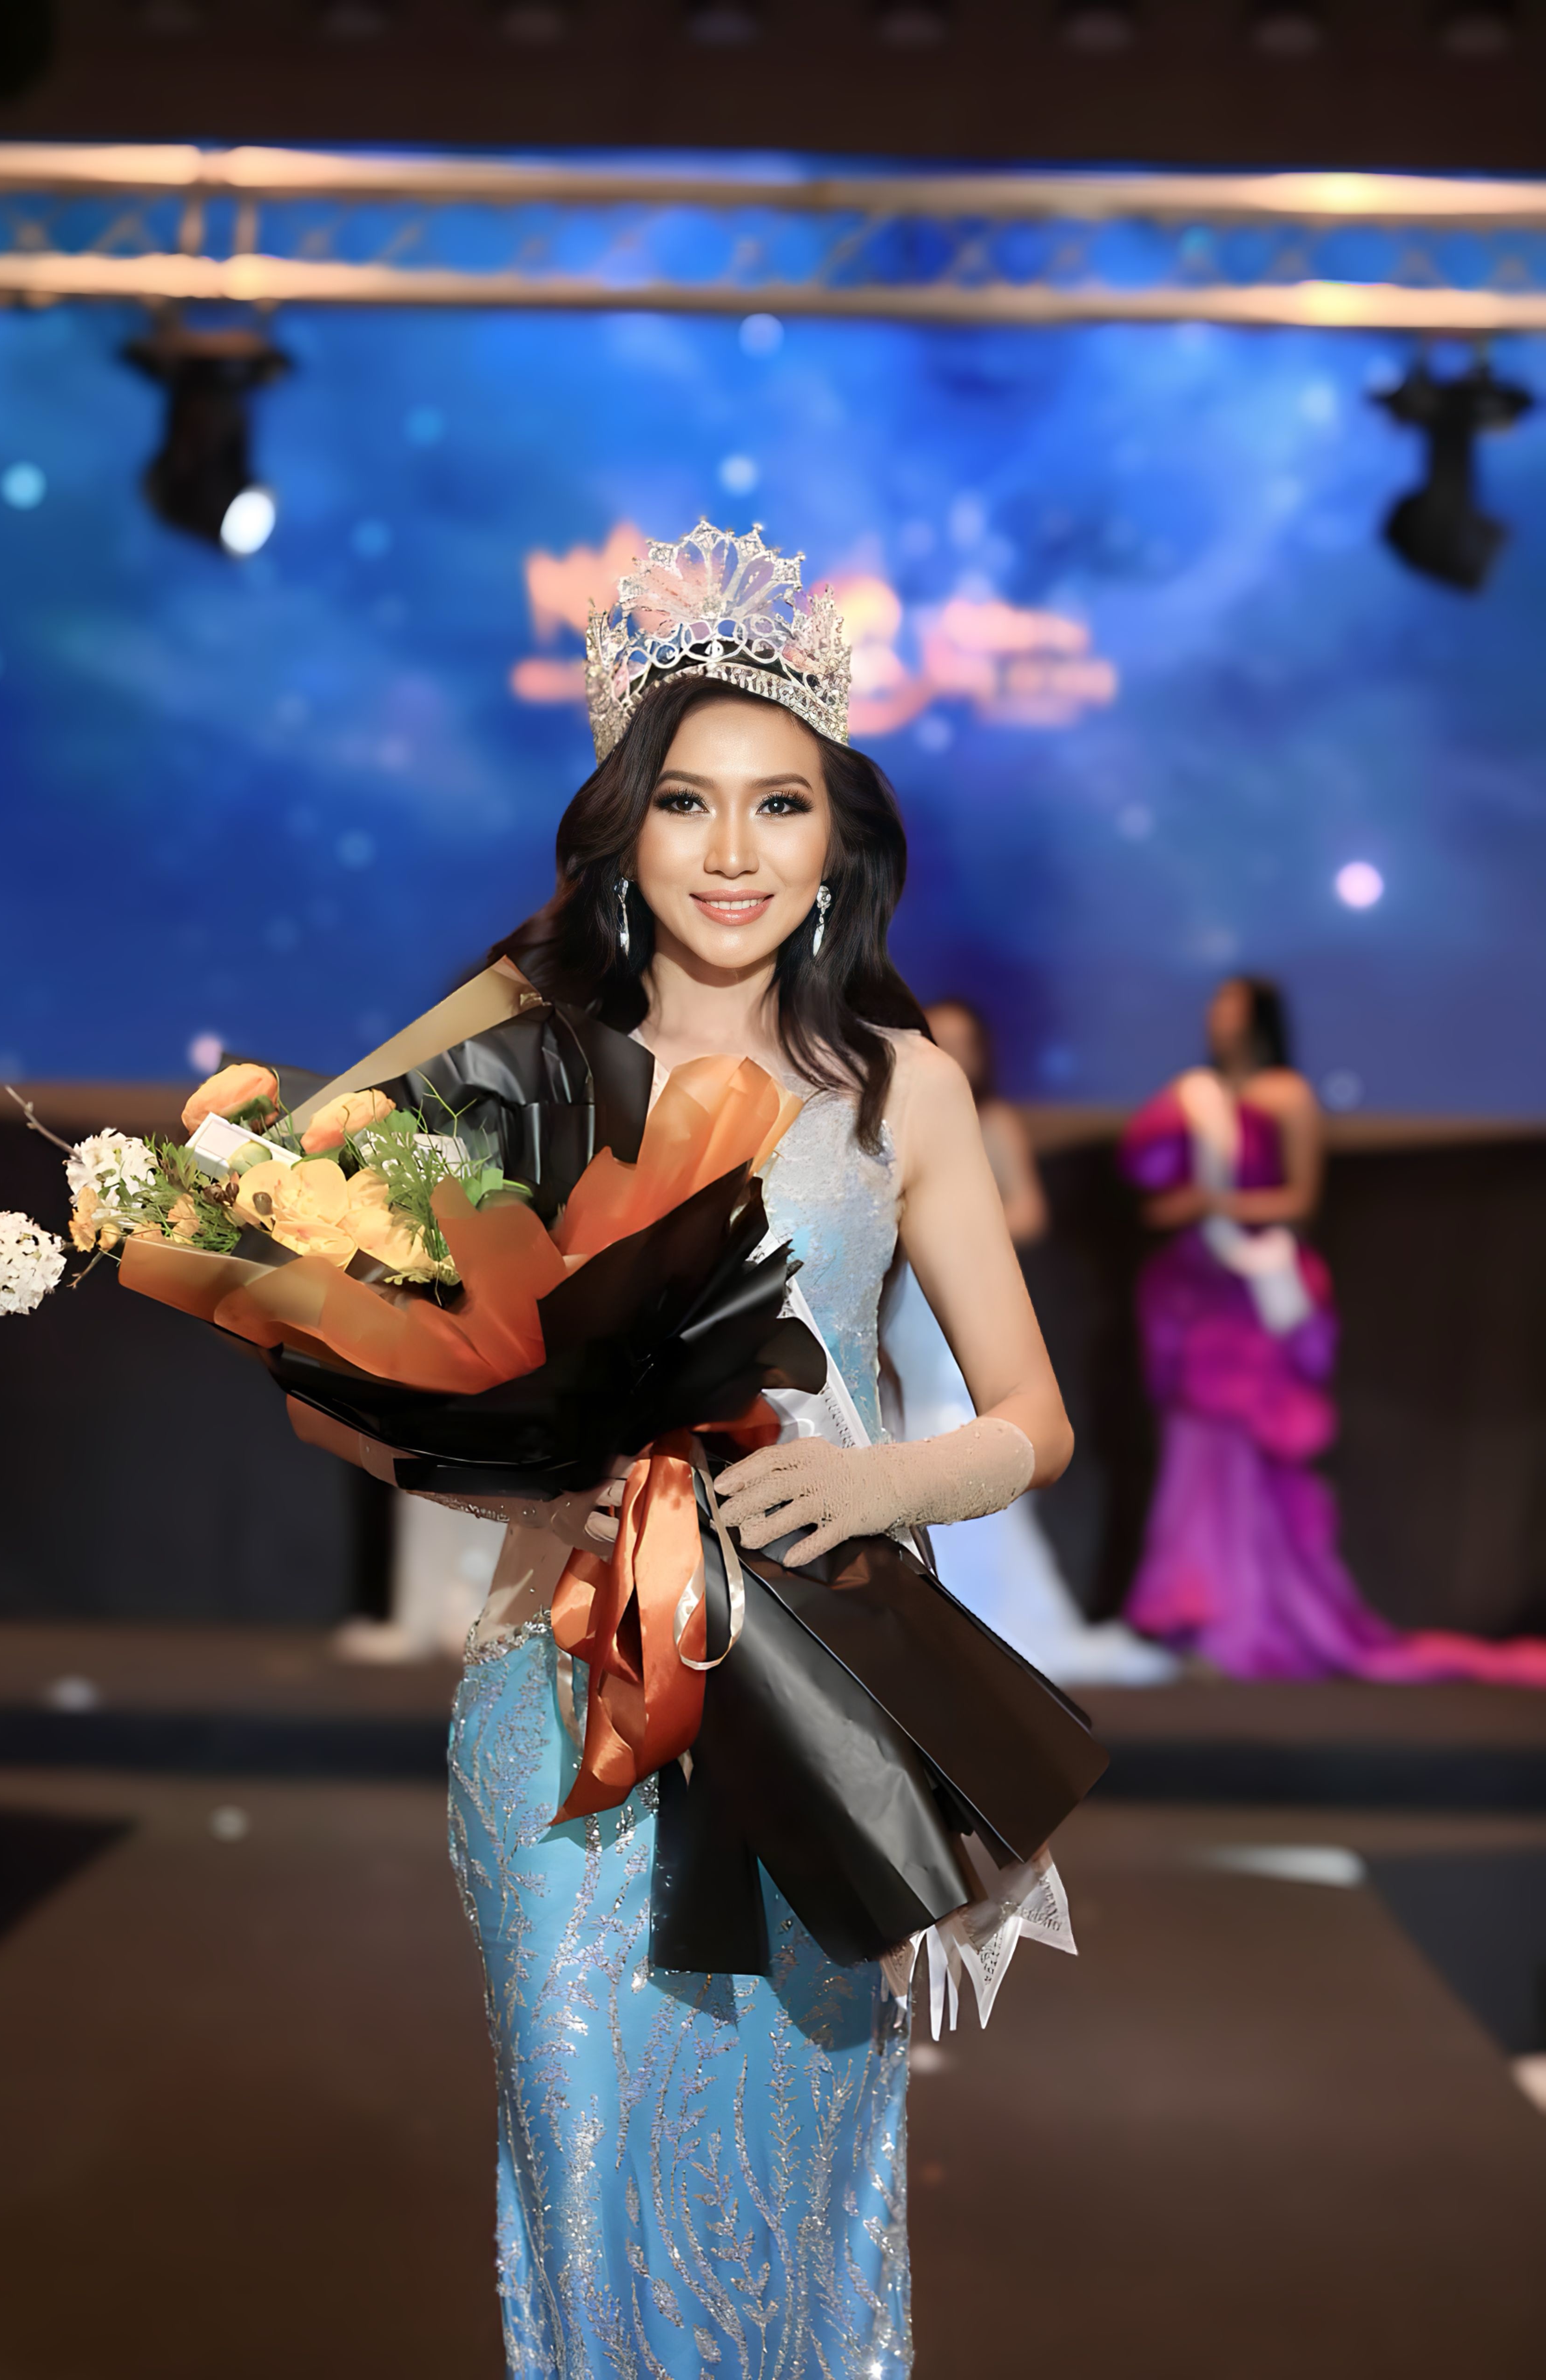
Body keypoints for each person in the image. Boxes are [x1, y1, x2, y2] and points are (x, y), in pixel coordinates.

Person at [443, 524, 1073, 2376]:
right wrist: (522, 1452)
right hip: (557, 1702)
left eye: (779, 805)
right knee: (580, 2170)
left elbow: (1031, 1420)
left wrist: (878, 1481)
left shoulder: (901, 1086)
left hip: (813, 1705)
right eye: (688, 803)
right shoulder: (520, 1068)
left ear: (834, 843)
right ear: (626, 834)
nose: (733, 851)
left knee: (796, 2189)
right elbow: (421, 1393)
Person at [1119, 975, 1546, 1684]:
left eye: (1232, 1006)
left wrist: (1214, 1202)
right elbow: (1154, 1185)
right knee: (1195, 1451)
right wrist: (1186, 1207)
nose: (1220, 1017)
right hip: (1198, 1293)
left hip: (1256, 1292)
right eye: (1216, 1005)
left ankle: (1250, 1617)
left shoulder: (1286, 1095)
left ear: (1259, 1016)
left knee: (1253, 1454)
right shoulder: (1197, 1096)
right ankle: (1193, 1613)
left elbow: (1299, 1199)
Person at [881, 998, 1176, 1685]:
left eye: (966, 1041)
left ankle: (983, 1602)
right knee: (907, 1414)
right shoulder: (904, 1106)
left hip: (962, 1279)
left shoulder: (994, 1122)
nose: (954, 1051)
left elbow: (1030, 1212)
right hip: (907, 1294)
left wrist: (954, 1225)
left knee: (967, 1416)